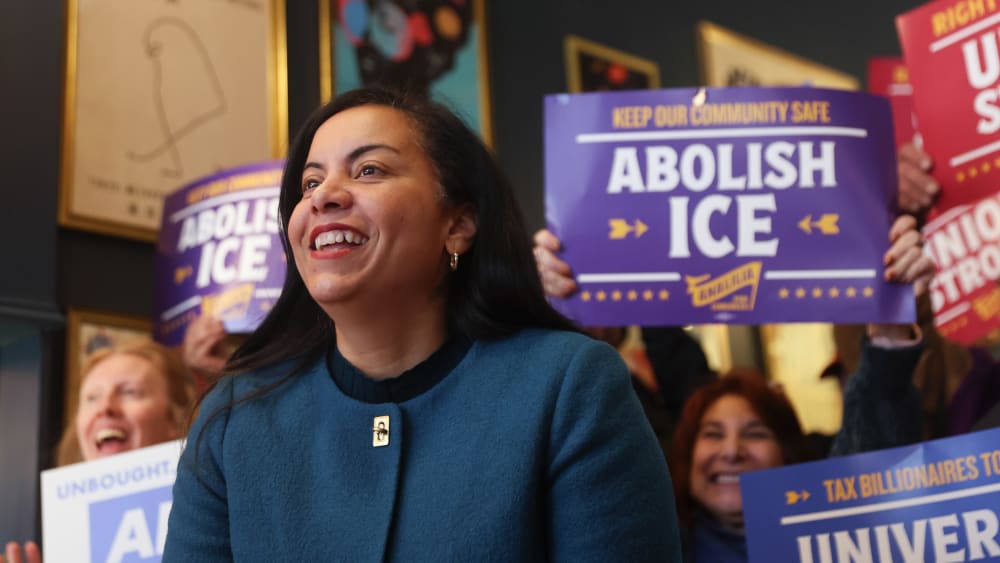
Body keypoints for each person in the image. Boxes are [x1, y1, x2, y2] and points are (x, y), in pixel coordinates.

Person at [163, 87, 682, 561]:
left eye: (368, 170)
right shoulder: (233, 419)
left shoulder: (570, 387)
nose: (323, 196)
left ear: (457, 225)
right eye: (310, 182)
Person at [2, 339, 193, 563]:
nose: (105, 407)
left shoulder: (213, 515)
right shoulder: (63, 538)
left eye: (130, 392)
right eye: (92, 398)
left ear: (176, 419)